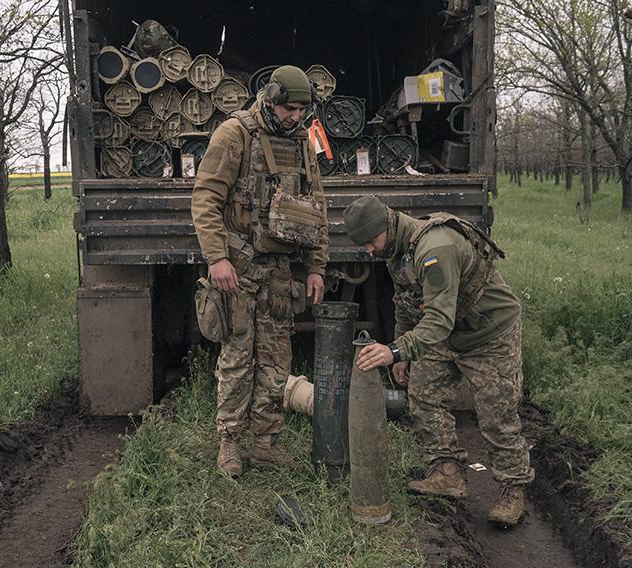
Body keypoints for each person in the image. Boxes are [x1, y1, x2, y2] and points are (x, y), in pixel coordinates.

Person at [343, 195, 533, 527]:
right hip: (447, 331)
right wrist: (402, 350)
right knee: (424, 394)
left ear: (387, 225)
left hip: (488, 332)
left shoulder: (435, 249)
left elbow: (437, 322)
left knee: (496, 413)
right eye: (365, 246)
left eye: (371, 242)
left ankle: (512, 489)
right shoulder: (398, 251)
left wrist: (396, 350)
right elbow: (405, 301)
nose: (369, 251)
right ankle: (446, 472)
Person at [191, 65, 328, 477]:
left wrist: (316, 267)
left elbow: (315, 207)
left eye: (302, 109)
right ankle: (229, 442)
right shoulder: (235, 134)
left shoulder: (303, 141)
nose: (295, 116)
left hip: (281, 271)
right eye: (289, 108)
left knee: (276, 360)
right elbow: (206, 198)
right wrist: (217, 258)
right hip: (239, 267)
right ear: (269, 98)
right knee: (237, 356)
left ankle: (266, 442)